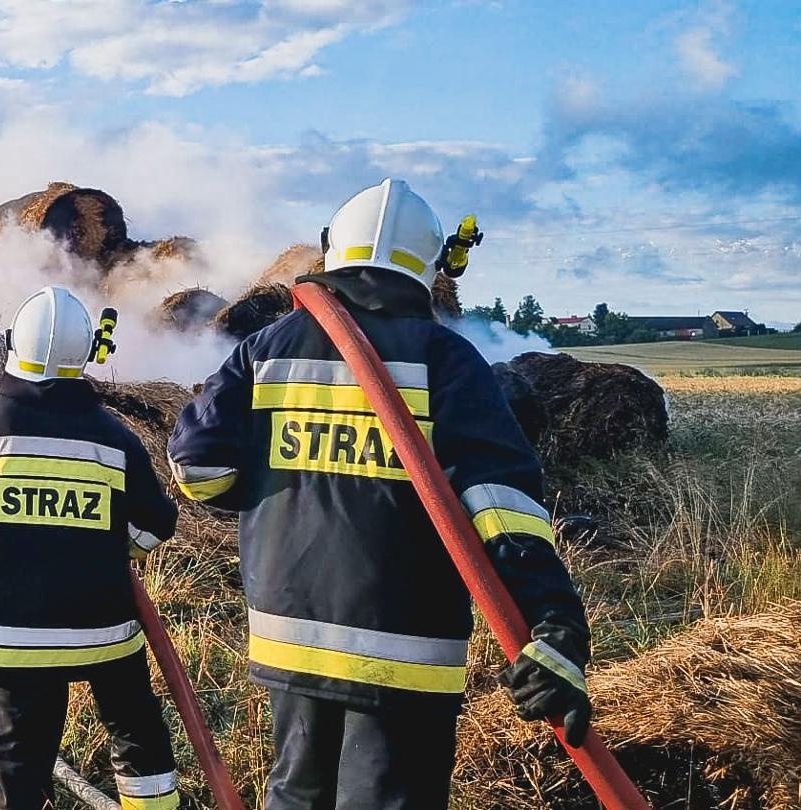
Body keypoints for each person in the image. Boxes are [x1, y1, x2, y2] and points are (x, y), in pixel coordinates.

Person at [167, 179, 591, 810]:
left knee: (296, 796)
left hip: (291, 637)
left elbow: (199, 470)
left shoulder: (265, 350)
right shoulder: (447, 360)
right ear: (431, 266)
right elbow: (504, 508)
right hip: (405, 651)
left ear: (330, 247)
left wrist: (283, 487)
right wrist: (555, 625)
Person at [0, 285, 184, 810]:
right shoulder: (113, 437)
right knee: (136, 730)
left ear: (15, 346)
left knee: (19, 758)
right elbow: (159, 520)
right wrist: (116, 549)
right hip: (104, 630)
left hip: (15, 634)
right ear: (85, 356)